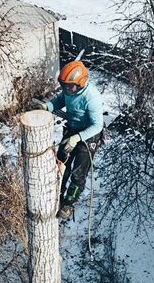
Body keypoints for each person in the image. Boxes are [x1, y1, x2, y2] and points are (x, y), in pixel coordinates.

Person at [34, 61, 104, 220]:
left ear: (79, 84)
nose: (66, 89)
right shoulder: (69, 91)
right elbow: (60, 101)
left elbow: (97, 125)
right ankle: (55, 194)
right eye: (64, 86)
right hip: (73, 128)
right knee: (60, 163)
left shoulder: (92, 97)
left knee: (78, 173)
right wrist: (48, 107)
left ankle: (68, 203)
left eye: (69, 86)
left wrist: (77, 139)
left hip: (89, 134)